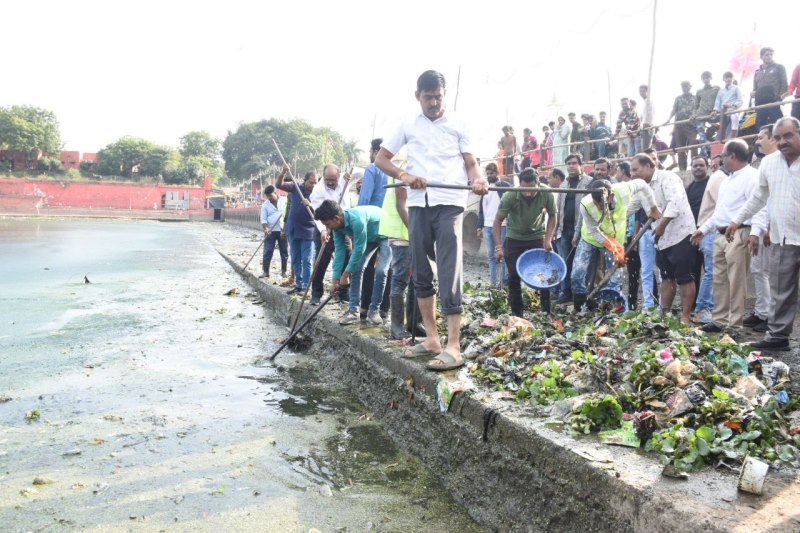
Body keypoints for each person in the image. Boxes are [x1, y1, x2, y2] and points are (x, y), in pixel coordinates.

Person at [375, 69, 488, 372]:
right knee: (422, 272)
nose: (434, 103)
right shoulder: (407, 123)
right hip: (418, 204)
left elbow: (471, 164)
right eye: (428, 97)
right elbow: (381, 159)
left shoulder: (459, 124)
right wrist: (404, 175)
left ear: (444, 94)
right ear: (418, 96)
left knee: (449, 272)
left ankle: (454, 346)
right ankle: (433, 339)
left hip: (450, 204)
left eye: (438, 97)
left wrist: (479, 180)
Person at [727, 118, 800, 351]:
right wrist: (737, 220)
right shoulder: (769, 163)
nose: (782, 141)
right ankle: (778, 337)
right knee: (781, 290)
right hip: (783, 237)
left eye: (787, 135)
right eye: (777, 138)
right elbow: (758, 197)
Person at [692, 139, 767, 332]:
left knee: (737, 281)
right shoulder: (726, 180)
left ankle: (735, 324)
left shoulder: (752, 177)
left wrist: (755, 233)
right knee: (720, 279)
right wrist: (703, 229)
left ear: (732, 156)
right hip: (721, 234)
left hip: (740, 232)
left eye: (723, 156)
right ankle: (720, 320)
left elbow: (760, 207)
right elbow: (719, 213)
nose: (721, 160)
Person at [571, 177, 660, 311]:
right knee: (577, 274)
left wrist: (653, 207)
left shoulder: (623, 191)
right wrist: (614, 247)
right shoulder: (585, 204)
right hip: (590, 238)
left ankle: (612, 308)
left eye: (601, 204)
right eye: (596, 203)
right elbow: (594, 231)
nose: (598, 207)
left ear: (611, 196)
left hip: (616, 237)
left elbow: (642, 184)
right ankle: (579, 308)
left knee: (615, 278)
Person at [631, 154, 697, 325]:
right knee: (666, 277)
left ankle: (685, 316)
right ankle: (664, 315)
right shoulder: (642, 187)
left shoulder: (668, 178)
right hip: (661, 238)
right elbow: (632, 206)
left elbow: (675, 203)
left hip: (680, 234)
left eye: (635, 169)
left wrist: (662, 225)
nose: (632, 174)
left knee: (685, 277)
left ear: (647, 166)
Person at [315, 200, 390, 326]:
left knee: (381, 271)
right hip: (370, 237)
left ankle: (374, 310)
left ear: (337, 218)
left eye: (328, 224)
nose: (328, 228)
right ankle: (353, 311)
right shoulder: (336, 228)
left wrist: (345, 275)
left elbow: (359, 249)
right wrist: (334, 281)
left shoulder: (357, 220)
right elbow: (339, 252)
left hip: (386, 234)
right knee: (356, 268)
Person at [493, 168, 557, 316]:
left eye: (532, 189)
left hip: (537, 236)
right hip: (514, 238)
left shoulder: (546, 193)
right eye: (524, 189)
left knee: (545, 274)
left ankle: (546, 312)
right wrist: (498, 248)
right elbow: (497, 221)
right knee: (514, 278)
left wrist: (547, 239)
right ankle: (518, 315)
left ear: (538, 184)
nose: (528, 193)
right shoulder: (510, 195)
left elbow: (553, 216)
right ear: (520, 185)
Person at [379, 169, 425, 340]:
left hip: (414, 232)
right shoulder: (404, 169)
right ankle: (396, 326)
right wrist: (415, 232)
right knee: (400, 280)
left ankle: (414, 323)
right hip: (402, 233)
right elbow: (401, 205)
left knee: (417, 279)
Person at [746, 124, 778, 332]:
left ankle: (768, 316)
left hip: (769, 228)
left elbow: (770, 200)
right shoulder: (766, 163)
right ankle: (760, 312)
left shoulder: (777, 162)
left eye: (761, 137)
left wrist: (766, 227)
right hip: (761, 225)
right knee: (758, 270)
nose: (757, 141)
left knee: (766, 273)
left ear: (772, 139)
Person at [308, 164, 352, 305]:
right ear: (323, 176)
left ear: (339, 176)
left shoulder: (345, 179)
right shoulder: (318, 190)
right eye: (328, 179)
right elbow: (318, 214)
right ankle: (316, 294)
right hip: (325, 226)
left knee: (346, 257)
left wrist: (350, 174)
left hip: (342, 226)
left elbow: (361, 172)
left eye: (333, 179)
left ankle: (343, 293)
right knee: (321, 261)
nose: (331, 183)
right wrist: (323, 230)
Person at [694, 154, 729, 323]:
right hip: (710, 231)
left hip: (711, 230)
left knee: (715, 271)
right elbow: (723, 206)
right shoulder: (720, 178)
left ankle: (709, 307)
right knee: (712, 271)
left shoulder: (720, 177)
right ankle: (702, 308)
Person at [554, 155, 592, 304]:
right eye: (569, 163)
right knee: (565, 262)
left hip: (583, 230)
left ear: (581, 165)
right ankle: (566, 292)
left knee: (581, 264)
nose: (571, 166)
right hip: (564, 229)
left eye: (574, 163)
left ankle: (581, 294)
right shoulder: (564, 184)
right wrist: (555, 229)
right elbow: (558, 208)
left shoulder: (588, 182)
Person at [276, 165, 317, 294]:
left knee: (307, 259)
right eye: (311, 182)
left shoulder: (318, 193)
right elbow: (279, 185)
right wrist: (283, 172)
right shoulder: (295, 187)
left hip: (309, 230)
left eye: (315, 183)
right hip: (293, 228)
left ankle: (306, 285)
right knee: (295, 258)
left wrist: (310, 205)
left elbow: (320, 212)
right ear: (305, 180)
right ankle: (298, 284)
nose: (313, 185)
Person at [477, 162, 510, 286]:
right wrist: (479, 227)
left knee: (503, 255)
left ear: (497, 173)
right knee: (491, 256)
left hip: (502, 225)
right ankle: (493, 284)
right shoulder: (485, 188)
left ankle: (503, 284)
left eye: (491, 173)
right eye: (488, 173)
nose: (489, 175)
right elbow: (481, 209)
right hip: (487, 225)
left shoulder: (504, 186)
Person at [684, 156, 710, 313]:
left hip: (709, 232)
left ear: (707, 167)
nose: (698, 168)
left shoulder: (712, 184)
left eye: (701, 165)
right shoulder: (689, 188)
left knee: (710, 271)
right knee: (693, 269)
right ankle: (693, 304)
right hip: (693, 234)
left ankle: (708, 306)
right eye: (695, 166)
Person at [752, 47, 787, 129]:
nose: (769, 56)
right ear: (761, 57)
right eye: (767, 55)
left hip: (774, 102)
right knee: (760, 128)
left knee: (779, 126)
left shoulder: (779, 67)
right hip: (760, 104)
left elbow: (784, 83)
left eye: (771, 54)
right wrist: (753, 93)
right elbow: (755, 88)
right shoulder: (757, 72)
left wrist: (780, 98)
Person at [666, 81, 698, 171]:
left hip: (691, 126)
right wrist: (669, 119)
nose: (684, 88)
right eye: (683, 86)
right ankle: (682, 169)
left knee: (693, 144)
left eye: (686, 86)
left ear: (690, 86)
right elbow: (674, 109)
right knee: (680, 148)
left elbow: (697, 109)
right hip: (679, 126)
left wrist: (694, 115)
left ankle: (695, 165)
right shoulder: (678, 98)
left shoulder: (695, 98)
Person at [259, 185, 288, 279]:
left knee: (284, 251)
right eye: (267, 196)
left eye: (271, 196)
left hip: (283, 231)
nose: (269, 198)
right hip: (270, 232)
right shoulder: (265, 205)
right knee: (267, 251)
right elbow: (263, 220)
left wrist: (285, 229)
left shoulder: (285, 200)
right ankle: (265, 272)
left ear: (275, 193)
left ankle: (284, 272)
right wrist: (266, 228)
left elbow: (288, 213)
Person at [694, 71, 720, 157]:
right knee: (701, 136)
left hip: (714, 114)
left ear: (710, 78)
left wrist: (716, 110)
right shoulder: (699, 91)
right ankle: (703, 155)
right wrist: (694, 114)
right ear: (702, 80)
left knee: (725, 123)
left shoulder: (716, 88)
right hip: (701, 115)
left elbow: (720, 100)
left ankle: (718, 150)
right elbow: (696, 105)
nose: (706, 80)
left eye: (707, 78)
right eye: (704, 78)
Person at [713, 72, 743, 141]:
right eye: (727, 77)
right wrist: (715, 110)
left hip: (733, 111)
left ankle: (732, 140)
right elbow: (717, 102)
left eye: (730, 77)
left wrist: (732, 106)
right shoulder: (721, 91)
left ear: (733, 79)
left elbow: (740, 101)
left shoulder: (736, 88)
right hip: (723, 113)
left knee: (733, 119)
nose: (728, 79)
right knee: (721, 131)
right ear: (723, 79)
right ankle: (718, 142)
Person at [640, 84, 655, 150]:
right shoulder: (644, 101)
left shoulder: (649, 101)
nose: (641, 93)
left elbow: (649, 115)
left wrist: (647, 125)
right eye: (640, 91)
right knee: (645, 148)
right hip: (644, 125)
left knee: (646, 149)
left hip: (648, 125)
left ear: (647, 92)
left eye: (643, 91)